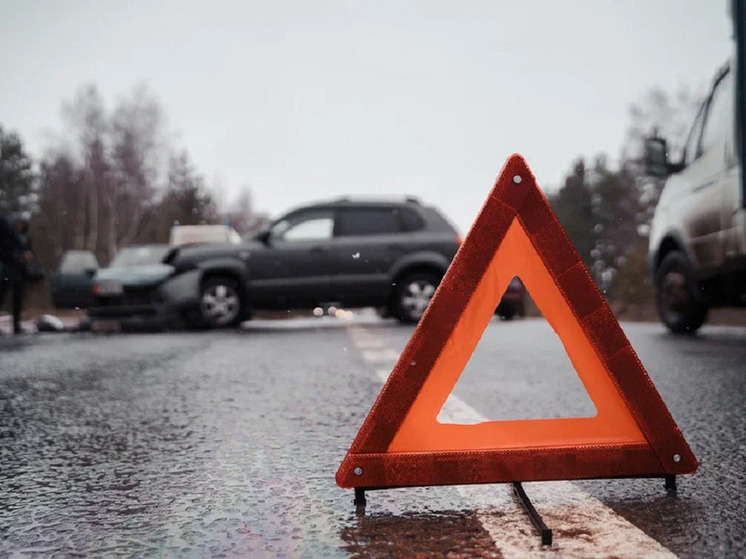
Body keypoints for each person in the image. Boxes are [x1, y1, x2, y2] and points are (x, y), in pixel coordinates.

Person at [0, 213, 31, 334]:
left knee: (17, 298)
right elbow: (5, 249)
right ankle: (16, 325)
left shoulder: (21, 237)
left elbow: (25, 249)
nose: (20, 226)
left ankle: (16, 325)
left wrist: (25, 254)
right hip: (7, 268)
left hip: (18, 270)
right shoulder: (8, 233)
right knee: (2, 295)